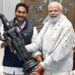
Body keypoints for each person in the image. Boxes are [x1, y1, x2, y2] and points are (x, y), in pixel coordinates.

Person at [25, 2, 75, 75]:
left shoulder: (67, 26)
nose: (52, 13)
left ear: (61, 11)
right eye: (50, 11)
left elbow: (59, 51)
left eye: (55, 10)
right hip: (48, 69)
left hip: (61, 71)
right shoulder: (48, 24)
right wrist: (23, 48)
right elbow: (37, 44)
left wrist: (44, 64)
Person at [0, 3, 39, 75]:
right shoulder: (5, 26)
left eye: (23, 12)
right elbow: (0, 44)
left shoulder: (32, 28)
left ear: (27, 14)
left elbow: (36, 45)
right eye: (19, 12)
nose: (21, 14)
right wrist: (6, 43)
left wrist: (22, 48)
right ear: (15, 12)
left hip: (24, 69)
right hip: (8, 68)